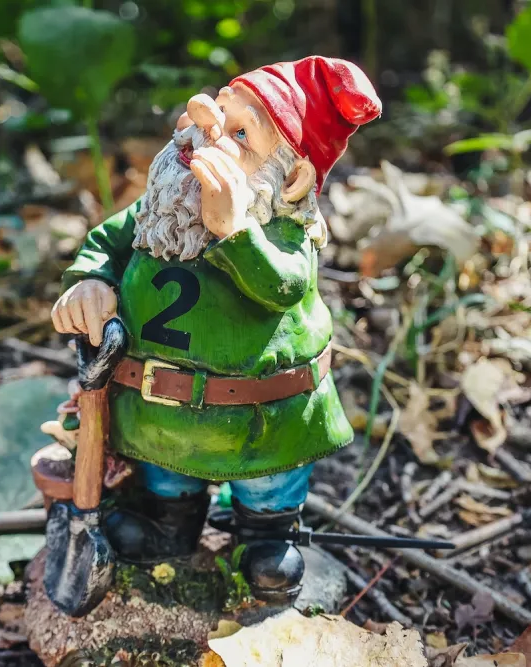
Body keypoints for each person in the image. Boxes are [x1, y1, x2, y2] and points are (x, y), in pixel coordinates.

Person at [51, 56, 380, 603]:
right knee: (165, 477)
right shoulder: (159, 210)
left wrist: (235, 231)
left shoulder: (284, 233)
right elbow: (105, 244)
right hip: (160, 413)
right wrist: (88, 281)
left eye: (239, 134)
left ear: (292, 176)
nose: (205, 134)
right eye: (212, 115)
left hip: (262, 419)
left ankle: (265, 536)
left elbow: (284, 286)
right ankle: (168, 524)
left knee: (267, 485)